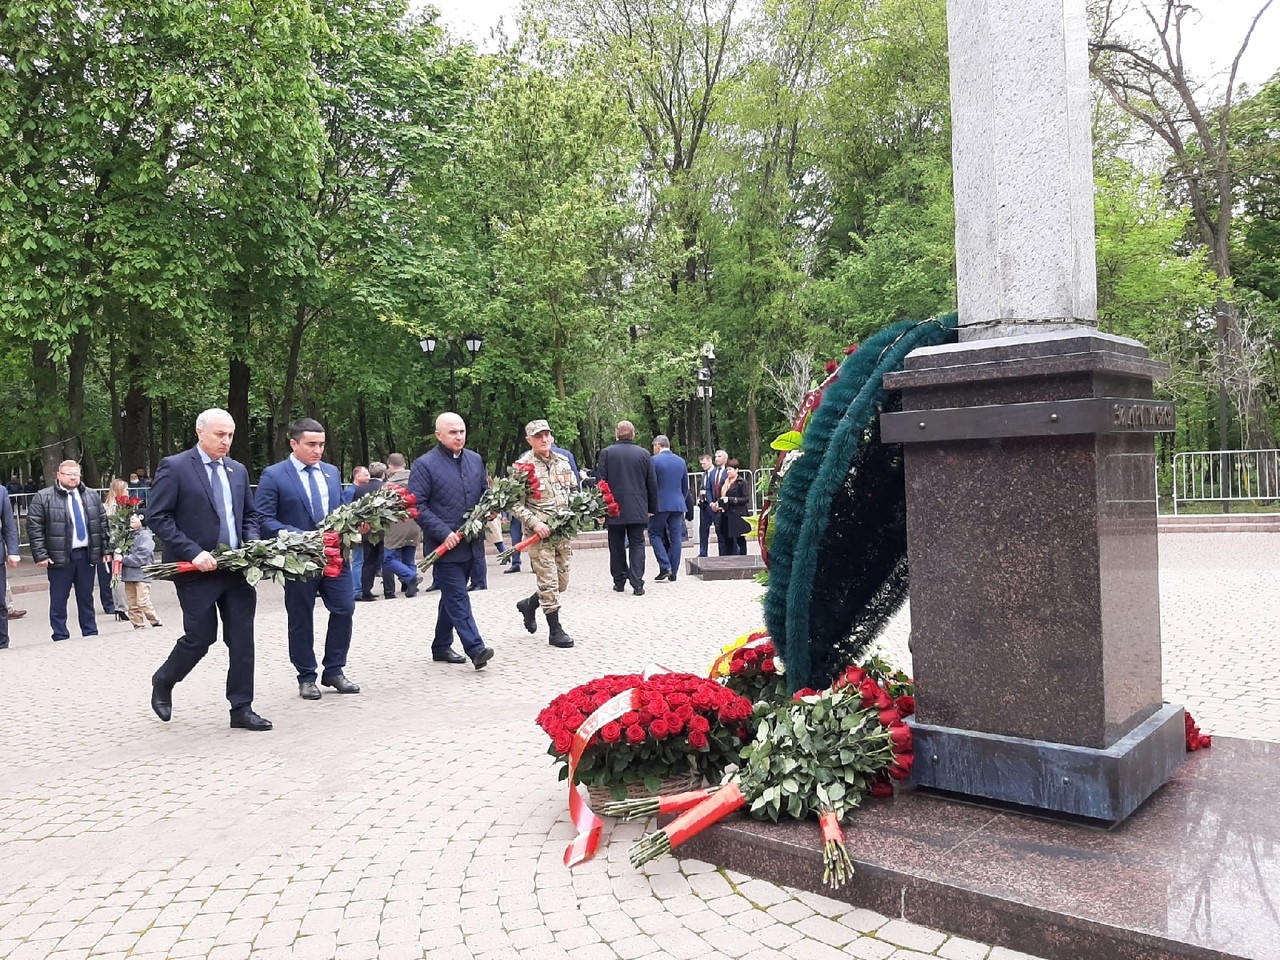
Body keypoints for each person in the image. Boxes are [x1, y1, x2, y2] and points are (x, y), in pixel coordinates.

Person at [148, 408, 271, 731]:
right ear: (200, 432)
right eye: (220, 434)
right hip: (195, 571)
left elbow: (250, 515)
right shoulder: (175, 467)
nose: (226, 441)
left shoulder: (237, 470)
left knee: (242, 640)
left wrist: (251, 544)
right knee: (201, 637)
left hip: (236, 570)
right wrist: (194, 552)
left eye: (230, 435)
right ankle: (164, 679)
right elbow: (158, 517)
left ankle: (241, 707)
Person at [256, 417, 360, 701]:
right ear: (294, 443)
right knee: (301, 617)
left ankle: (334, 670)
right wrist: (299, 536)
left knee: (345, 608)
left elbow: (340, 510)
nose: (318, 450)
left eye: (321, 444)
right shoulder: (274, 475)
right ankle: (306, 676)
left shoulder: (331, 472)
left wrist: (354, 525)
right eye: (311, 444)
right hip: (298, 559)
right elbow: (263, 518)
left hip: (334, 557)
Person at [407, 412, 494, 669]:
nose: (459, 436)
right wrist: (443, 532)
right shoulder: (424, 465)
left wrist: (491, 508)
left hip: (472, 543)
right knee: (458, 596)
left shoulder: (475, 459)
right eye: (453, 432)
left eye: (462, 431)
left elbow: (484, 493)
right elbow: (417, 505)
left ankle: (441, 646)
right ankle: (476, 649)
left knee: (450, 597)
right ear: (439, 435)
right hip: (444, 546)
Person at [510, 419, 579, 648]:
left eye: (547, 435)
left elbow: (573, 491)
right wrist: (535, 522)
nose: (544, 439)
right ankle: (555, 631)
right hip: (538, 536)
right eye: (538, 436)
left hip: (562, 533)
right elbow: (513, 503)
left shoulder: (563, 461)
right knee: (548, 581)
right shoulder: (522, 466)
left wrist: (577, 510)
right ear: (529, 440)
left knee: (562, 582)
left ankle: (530, 604)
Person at [27, 460, 112, 643]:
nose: (73, 478)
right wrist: (41, 555)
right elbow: (35, 528)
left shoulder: (91, 496)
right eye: (68, 474)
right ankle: (60, 635)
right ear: (59, 475)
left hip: (86, 554)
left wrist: (106, 550)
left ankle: (90, 632)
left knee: (86, 597)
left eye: (76, 474)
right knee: (59, 598)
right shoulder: (43, 497)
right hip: (59, 556)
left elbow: (102, 524)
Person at [594, 420, 657, 595]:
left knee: (616, 545)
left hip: (613, 507)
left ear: (616, 434)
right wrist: (652, 507)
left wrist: (601, 510)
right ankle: (637, 583)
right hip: (638, 507)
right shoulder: (644, 454)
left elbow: (601, 483)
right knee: (637, 544)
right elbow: (652, 482)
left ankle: (619, 580)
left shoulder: (607, 453)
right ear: (633, 434)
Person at [648, 435, 690, 582]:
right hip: (678, 504)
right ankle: (674, 572)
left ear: (657, 446)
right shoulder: (680, 461)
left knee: (654, 533)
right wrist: (680, 499)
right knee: (676, 538)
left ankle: (665, 566)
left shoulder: (654, 461)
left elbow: (651, 484)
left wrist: (650, 504)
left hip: (660, 504)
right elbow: (685, 487)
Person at [381, 454, 422, 599]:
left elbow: (383, 508)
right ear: (404, 464)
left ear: (389, 466)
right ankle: (412, 591)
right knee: (409, 559)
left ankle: (411, 577)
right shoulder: (417, 481)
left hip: (396, 526)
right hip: (415, 524)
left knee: (388, 559)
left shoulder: (388, 486)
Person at [119, 514, 162, 628]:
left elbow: (141, 557)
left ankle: (155, 620)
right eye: (132, 516)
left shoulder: (145, 536)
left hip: (142, 574)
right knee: (132, 603)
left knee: (142, 601)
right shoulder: (127, 535)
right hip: (129, 575)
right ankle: (138, 624)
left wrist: (123, 559)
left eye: (136, 517)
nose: (132, 518)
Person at [101, 478, 131, 620]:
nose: (128, 492)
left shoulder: (110, 507)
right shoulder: (114, 509)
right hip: (117, 545)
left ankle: (120, 606)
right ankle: (121, 606)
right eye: (126, 489)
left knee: (117, 576)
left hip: (116, 544)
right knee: (117, 576)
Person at [715, 458, 751, 556]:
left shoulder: (741, 482)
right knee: (727, 540)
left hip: (738, 515)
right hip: (726, 515)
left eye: (730, 469)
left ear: (736, 470)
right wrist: (718, 503)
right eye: (727, 470)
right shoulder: (725, 482)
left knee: (740, 539)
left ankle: (743, 558)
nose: (728, 472)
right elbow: (721, 497)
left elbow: (745, 499)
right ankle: (729, 558)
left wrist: (730, 499)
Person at [345, 465, 369, 599]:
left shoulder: (360, 490)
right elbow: (347, 512)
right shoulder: (350, 492)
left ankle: (361, 589)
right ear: (357, 476)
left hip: (363, 529)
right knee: (358, 560)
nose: (368, 477)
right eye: (366, 474)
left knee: (362, 560)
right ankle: (356, 590)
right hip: (355, 531)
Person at [0, 483, 20, 650]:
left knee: (0, 604)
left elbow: (9, 525)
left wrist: (13, 551)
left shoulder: (1, 492)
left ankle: (2, 645)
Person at [695, 453, 714, 557]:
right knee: (703, 529)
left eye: (704, 463)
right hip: (704, 505)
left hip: (713, 504)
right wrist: (699, 498)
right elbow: (702, 488)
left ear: (710, 461)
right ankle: (703, 552)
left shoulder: (715, 473)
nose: (702, 466)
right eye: (701, 464)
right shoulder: (704, 475)